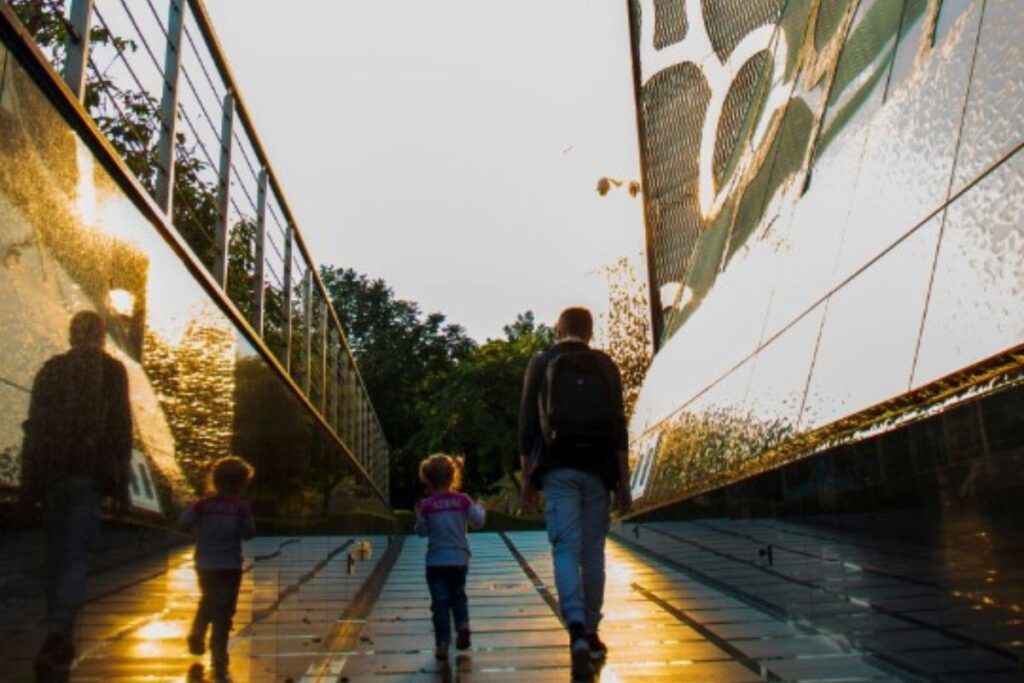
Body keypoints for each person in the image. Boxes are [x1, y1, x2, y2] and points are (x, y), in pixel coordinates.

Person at [518, 306, 631, 679]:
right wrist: (624, 483)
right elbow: (619, 427)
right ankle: (593, 631)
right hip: (599, 470)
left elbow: (527, 425)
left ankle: (577, 629)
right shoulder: (606, 365)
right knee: (593, 552)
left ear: (559, 329)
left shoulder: (542, 362)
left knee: (565, 548)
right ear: (590, 332)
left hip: (557, 467)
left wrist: (527, 480)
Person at [21, 311, 133, 679]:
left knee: (56, 556)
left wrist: (28, 480)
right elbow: (121, 427)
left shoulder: (51, 370)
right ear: (101, 335)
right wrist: (122, 483)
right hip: (88, 474)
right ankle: (58, 633)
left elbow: (34, 428)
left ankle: (60, 634)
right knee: (75, 555)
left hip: (52, 474)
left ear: (71, 335)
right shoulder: (112, 370)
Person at [180, 456, 255, 680]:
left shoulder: (203, 505)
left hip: (205, 563)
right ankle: (219, 650)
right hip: (230, 565)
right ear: (241, 484)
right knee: (226, 609)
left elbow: (184, 522)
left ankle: (198, 631)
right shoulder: (240, 508)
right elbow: (249, 532)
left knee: (208, 600)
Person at [414, 454, 486, 661]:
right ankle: (462, 625)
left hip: (436, 562)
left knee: (440, 603)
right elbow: (478, 522)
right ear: (453, 476)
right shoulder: (462, 500)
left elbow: (422, 532)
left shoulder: (427, 505)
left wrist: (418, 516)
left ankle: (443, 644)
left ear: (428, 479)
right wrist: (480, 507)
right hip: (459, 559)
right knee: (458, 595)